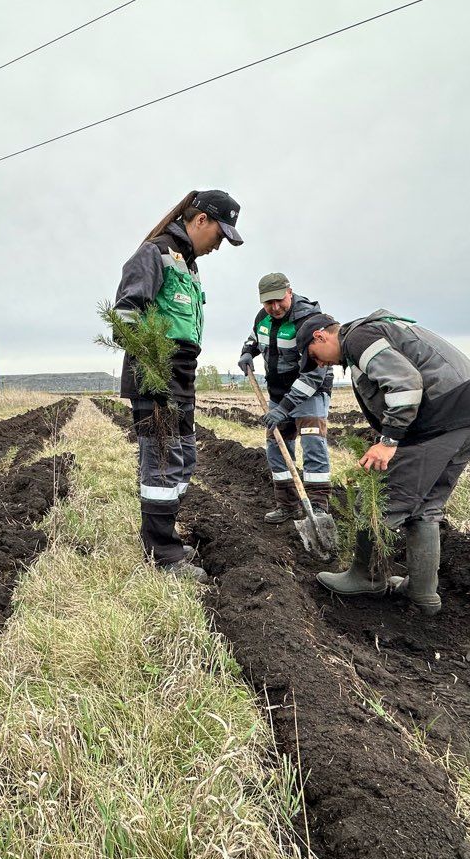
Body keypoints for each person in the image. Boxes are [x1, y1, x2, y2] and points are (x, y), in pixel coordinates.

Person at [298, 310, 470, 614]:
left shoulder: (357, 338)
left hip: (440, 418)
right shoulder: (375, 333)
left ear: (321, 336)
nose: (319, 363)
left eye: (313, 355)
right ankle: (423, 593)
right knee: (426, 506)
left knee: (380, 504)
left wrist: (389, 441)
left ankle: (366, 577)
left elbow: (406, 383)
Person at [114, 189, 243, 582]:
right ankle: (162, 555)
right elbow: (124, 317)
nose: (219, 246)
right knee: (162, 463)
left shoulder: (187, 263)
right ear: (200, 219)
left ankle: (163, 536)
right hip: (157, 375)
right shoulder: (155, 253)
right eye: (220, 236)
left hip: (183, 374)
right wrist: (154, 369)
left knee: (184, 458)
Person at [237, 274, 334, 524]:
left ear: (289, 292)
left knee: (313, 444)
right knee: (276, 447)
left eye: (279, 300)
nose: (275, 307)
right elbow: (255, 338)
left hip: (310, 393)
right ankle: (288, 505)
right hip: (278, 394)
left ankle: (318, 509)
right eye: (268, 303)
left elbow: (314, 375)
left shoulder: (310, 321)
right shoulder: (263, 318)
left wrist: (285, 408)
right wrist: (247, 352)